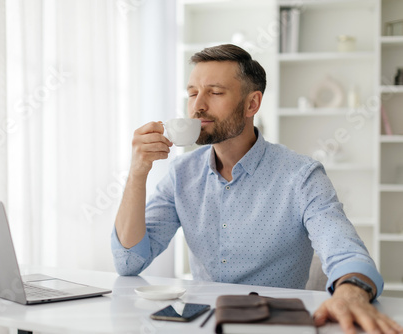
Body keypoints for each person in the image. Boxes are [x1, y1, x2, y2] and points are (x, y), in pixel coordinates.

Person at [111, 44, 403, 334]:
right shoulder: (181, 174)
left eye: (214, 92)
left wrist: (350, 293)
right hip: (202, 324)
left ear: (252, 104)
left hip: (276, 327)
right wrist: (138, 171)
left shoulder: (301, 176)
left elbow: (345, 252)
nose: (197, 105)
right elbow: (129, 261)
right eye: (192, 93)